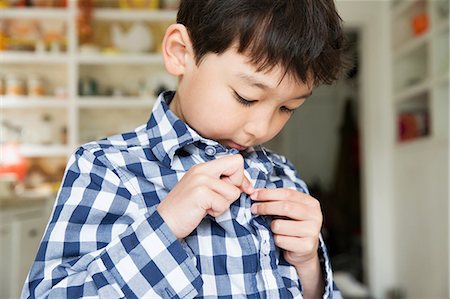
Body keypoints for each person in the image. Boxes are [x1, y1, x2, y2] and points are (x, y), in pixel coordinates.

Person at [22, 0, 348, 298]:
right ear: (180, 52)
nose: (261, 129)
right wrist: (165, 226)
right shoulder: (105, 168)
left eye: (287, 108)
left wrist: (309, 268)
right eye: (246, 97)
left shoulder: (282, 176)